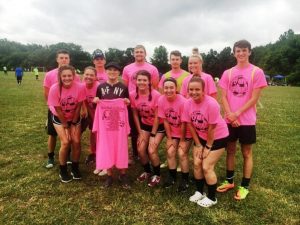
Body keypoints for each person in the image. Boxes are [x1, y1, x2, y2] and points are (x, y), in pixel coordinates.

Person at [217, 40, 267, 200]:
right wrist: (230, 115)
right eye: (238, 51)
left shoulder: (257, 72)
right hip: (229, 120)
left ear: (249, 52)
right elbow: (223, 96)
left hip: (246, 120)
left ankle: (244, 186)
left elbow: (254, 98)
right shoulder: (228, 73)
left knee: (246, 153)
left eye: (244, 50)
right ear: (234, 53)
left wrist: (236, 114)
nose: (241, 54)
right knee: (230, 151)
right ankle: (229, 181)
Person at [182, 76, 229, 207]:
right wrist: (197, 144)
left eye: (197, 89)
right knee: (197, 163)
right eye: (191, 89)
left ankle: (212, 197)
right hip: (202, 137)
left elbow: (212, 127)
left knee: (206, 166)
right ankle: (199, 191)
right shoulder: (187, 103)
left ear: (204, 90)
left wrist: (208, 146)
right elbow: (190, 125)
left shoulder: (212, 103)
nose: (194, 92)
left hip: (218, 137)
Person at [93, 62, 131, 189]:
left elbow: (127, 103)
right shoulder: (101, 87)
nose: (112, 72)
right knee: (106, 146)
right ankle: (109, 176)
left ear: (119, 73)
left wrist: (127, 102)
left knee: (120, 145)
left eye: (115, 70)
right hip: (106, 122)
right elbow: (96, 103)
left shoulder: (123, 87)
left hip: (118, 121)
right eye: (110, 70)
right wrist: (96, 101)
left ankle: (123, 174)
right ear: (106, 72)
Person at [122, 45, 160, 163]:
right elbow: (124, 86)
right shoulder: (127, 68)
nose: (139, 54)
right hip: (133, 101)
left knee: (147, 124)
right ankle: (136, 153)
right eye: (136, 52)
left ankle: (148, 149)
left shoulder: (152, 68)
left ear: (145, 53)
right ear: (133, 54)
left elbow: (155, 86)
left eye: (141, 52)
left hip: (148, 102)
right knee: (134, 128)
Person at [48, 65, 85, 183]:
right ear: (60, 76)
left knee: (76, 141)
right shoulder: (54, 88)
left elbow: (79, 105)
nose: (67, 78)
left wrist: (73, 123)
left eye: (69, 75)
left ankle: (75, 168)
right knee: (65, 142)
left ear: (73, 76)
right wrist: (67, 126)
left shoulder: (80, 87)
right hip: (60, 118)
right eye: (64, 76)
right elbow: (58, 109)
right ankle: (63, 170)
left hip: (74, 116)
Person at [43, 49, 80, 169]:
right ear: (57, 59)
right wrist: (50, 109)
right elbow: (46, 94)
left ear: (69, 59)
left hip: (70, 109)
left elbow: (79, 93)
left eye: (66, 58)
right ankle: (50, 156)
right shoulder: (49, 75)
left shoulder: (75, 75)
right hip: (55, 109)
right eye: (61, 57)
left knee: (69, 134)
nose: (64, 59)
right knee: (52, 134)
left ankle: (68, 156)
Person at [130, 70, 164, 187]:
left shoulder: (156, 95)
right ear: (135, 81)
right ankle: (147, 171)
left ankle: (157, 175)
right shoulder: (132, 94)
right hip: (144, 125)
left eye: (144, 80)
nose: (142, 82)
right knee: (140, 149)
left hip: (158, 126)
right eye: (139, 80)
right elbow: (135, 114)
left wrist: (153, 135)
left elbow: (156, 117)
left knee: (151, 150)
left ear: (149, 81)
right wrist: (140, 132)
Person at [157, 77, 192, 192]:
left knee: (182, 153)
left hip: (185, 131)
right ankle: (172, 177)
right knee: (170, 151)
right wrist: (170, 138)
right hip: (173, 132)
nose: (168, 90)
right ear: (163, 88)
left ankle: (185, 179)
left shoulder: (183, 101)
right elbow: (165, 120)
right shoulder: (161, 100)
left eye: (171, 87)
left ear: (176, 88)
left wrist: (182, 140)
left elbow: (184, 122)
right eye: (166, 87)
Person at [81, 67, 101, 172]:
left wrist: (97, 119)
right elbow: (85, 103)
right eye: (86, 74)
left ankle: (102, 154)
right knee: (93, 132)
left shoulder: (99, 87)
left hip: (101, 114)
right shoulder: (82, 86)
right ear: (83, 75)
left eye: (91, 75)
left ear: (96, 77)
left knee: (100, 134)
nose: (88, 77)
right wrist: (92, 118)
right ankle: (94, 153)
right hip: (91, 113)